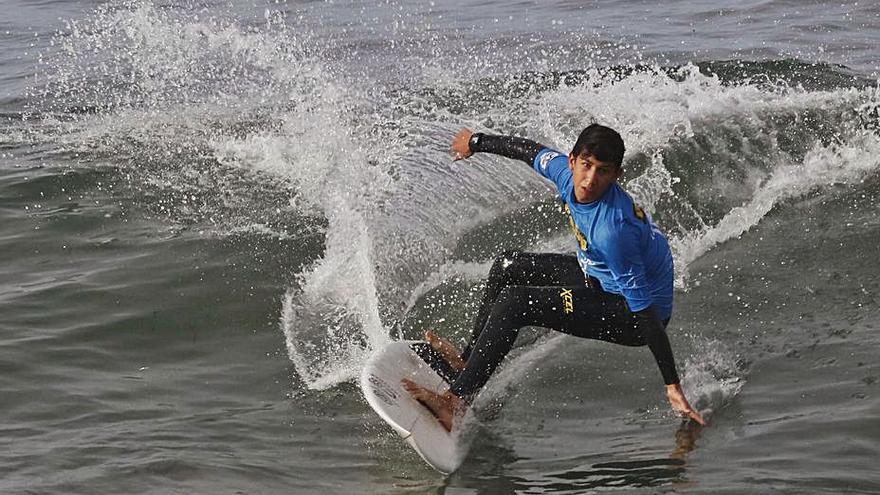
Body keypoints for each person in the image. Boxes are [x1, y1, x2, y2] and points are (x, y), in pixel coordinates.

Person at [402, 124, 705, 431]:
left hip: (630, 314)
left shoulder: (612, 230)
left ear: (616, 176)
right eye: (586, 166)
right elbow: (528, 151)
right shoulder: (564, 173)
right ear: (572, 160)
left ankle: (453, 403)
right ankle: (467, 364)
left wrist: (672, 386)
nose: (590, 180)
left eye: (603, 171)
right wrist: (476, 142)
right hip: (597, 276)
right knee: (509, 265)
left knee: (516, 303)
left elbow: (647, 314)